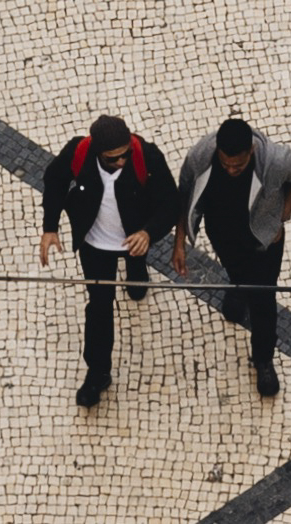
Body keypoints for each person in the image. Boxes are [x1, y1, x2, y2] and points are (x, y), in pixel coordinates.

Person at [39, 115, 180, 407]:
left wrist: (148, 232)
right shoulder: (78, 152)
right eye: (114, 158)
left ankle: (136, 270)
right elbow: (53, 180)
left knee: (136, 264)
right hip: (95, 243)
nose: (123, 161)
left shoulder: (147, 155)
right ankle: (98, 372)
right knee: (99, 307)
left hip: (134, 235)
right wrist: (50, 227)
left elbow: (171, 202)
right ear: (98, 153)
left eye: (127, 153)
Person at [172, 116, 291, 399]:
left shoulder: (275, 161)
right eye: (225, 164)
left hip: (264, 242)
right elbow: (184, 193)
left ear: (252, 152)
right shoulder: (200, 156)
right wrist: (179, 243)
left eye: (238, 164)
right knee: (236, 273)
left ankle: (263, 358)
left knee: (263, 300)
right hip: (222, 233)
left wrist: (283, 216)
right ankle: (237, 291)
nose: (231, 169)